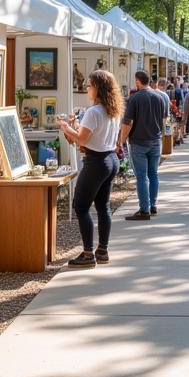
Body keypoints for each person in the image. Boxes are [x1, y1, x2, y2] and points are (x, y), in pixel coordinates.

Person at [58, 70, 123, 268]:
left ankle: (87, 254)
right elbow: (93, 135)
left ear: (97, 88)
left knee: (81, 206)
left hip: (96, 162)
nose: (87, 88)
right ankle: (102, 250)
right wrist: (77, 124)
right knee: (102, 206)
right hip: (110, 159)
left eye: (89, 85)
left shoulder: (93, 112)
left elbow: (83, 139)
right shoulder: (113, 110)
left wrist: (66, 127)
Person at [118, 70, 168, 221]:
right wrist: (162, 135)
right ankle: (152, 205)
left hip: (139, 142)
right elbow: (164, 120)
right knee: (153, 174)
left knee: (141, 176)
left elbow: (128, 122)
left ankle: (144, 209)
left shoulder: (134, 99)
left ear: (138, 81)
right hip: (155, 140)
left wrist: (121, 140)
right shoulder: (159, 97)